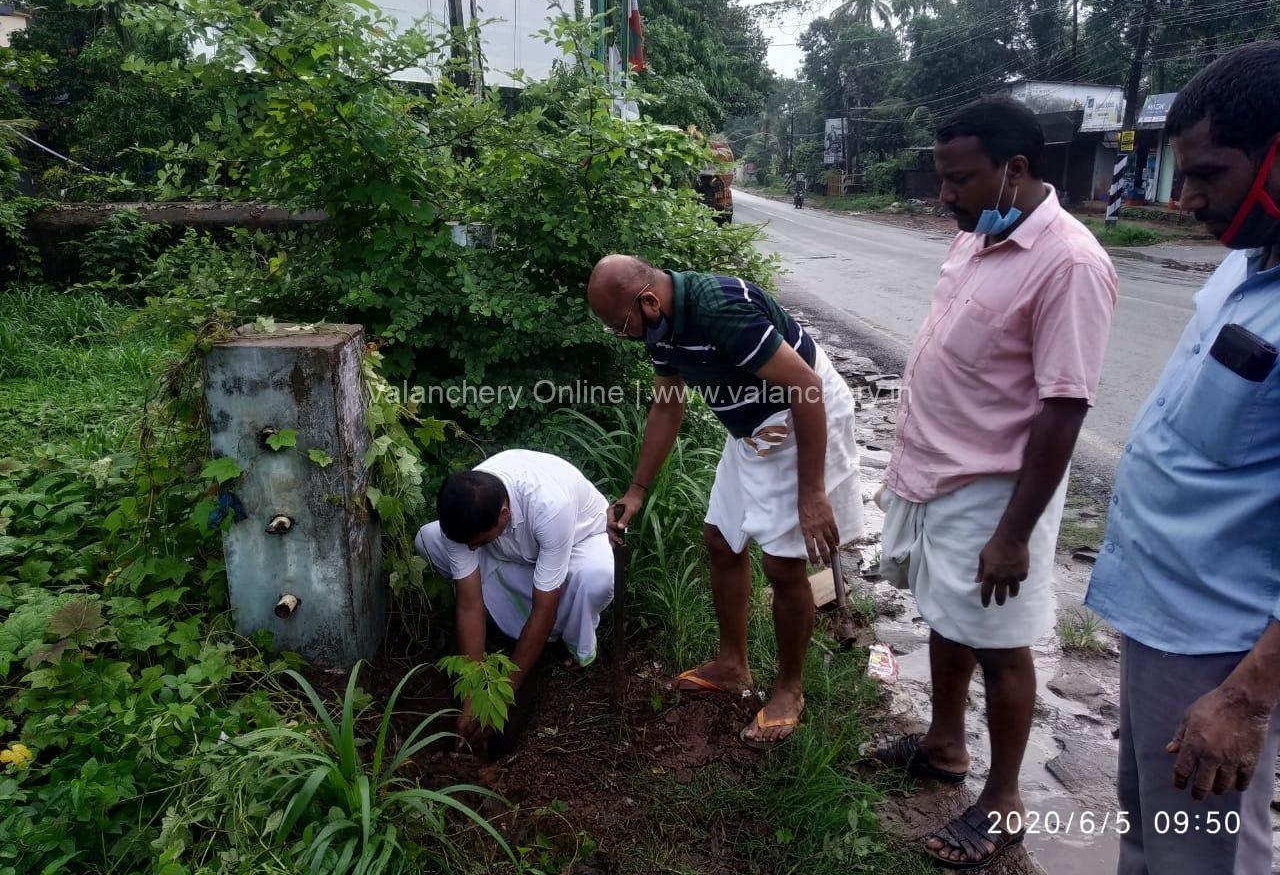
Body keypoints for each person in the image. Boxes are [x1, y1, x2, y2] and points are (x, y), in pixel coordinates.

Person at [870, 95, 1118, 868]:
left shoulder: (1071, 263)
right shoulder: (979, 234)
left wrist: (1012, 533)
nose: (946, 194)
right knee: (946, 618)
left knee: (1003, 644)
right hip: (937, 471)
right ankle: (946, 747)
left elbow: (1064, 407)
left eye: (960, 178)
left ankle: (1005, 802)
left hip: (995, 489)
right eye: (943, 177)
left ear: (1015, 169)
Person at [1084, 41, 1280, 875]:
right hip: (1157, 615)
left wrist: (1246, 694)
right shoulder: (1244, 267)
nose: (1188, 197)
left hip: (1221, 649)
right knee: (1150, 833)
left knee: (1207, 858)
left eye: (1211, 174)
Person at [586, 254, 863, 749]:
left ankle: (789, 690)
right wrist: (637, 490)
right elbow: (667, 406)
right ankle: (733, 666)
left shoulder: (721, 310)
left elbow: (807, 387)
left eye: (619, 326)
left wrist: (812, 493)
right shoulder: (661, 326)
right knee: (720, 538)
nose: (621, 336)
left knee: (783, 564)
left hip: (801, 418)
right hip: (753, 432)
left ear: (647, 301)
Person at [415, 450, 614, 746]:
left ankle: (570, 642)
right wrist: (473, 695)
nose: (471, 550)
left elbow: (544, 609)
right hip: (512, 552)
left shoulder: (550, 506)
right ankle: (510, 621)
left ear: (504, 516)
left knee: (595, 578)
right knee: (427, 540)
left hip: (574, 543)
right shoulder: (462, 515)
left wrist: (501, 697)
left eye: (477, 543)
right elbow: (469, 603)